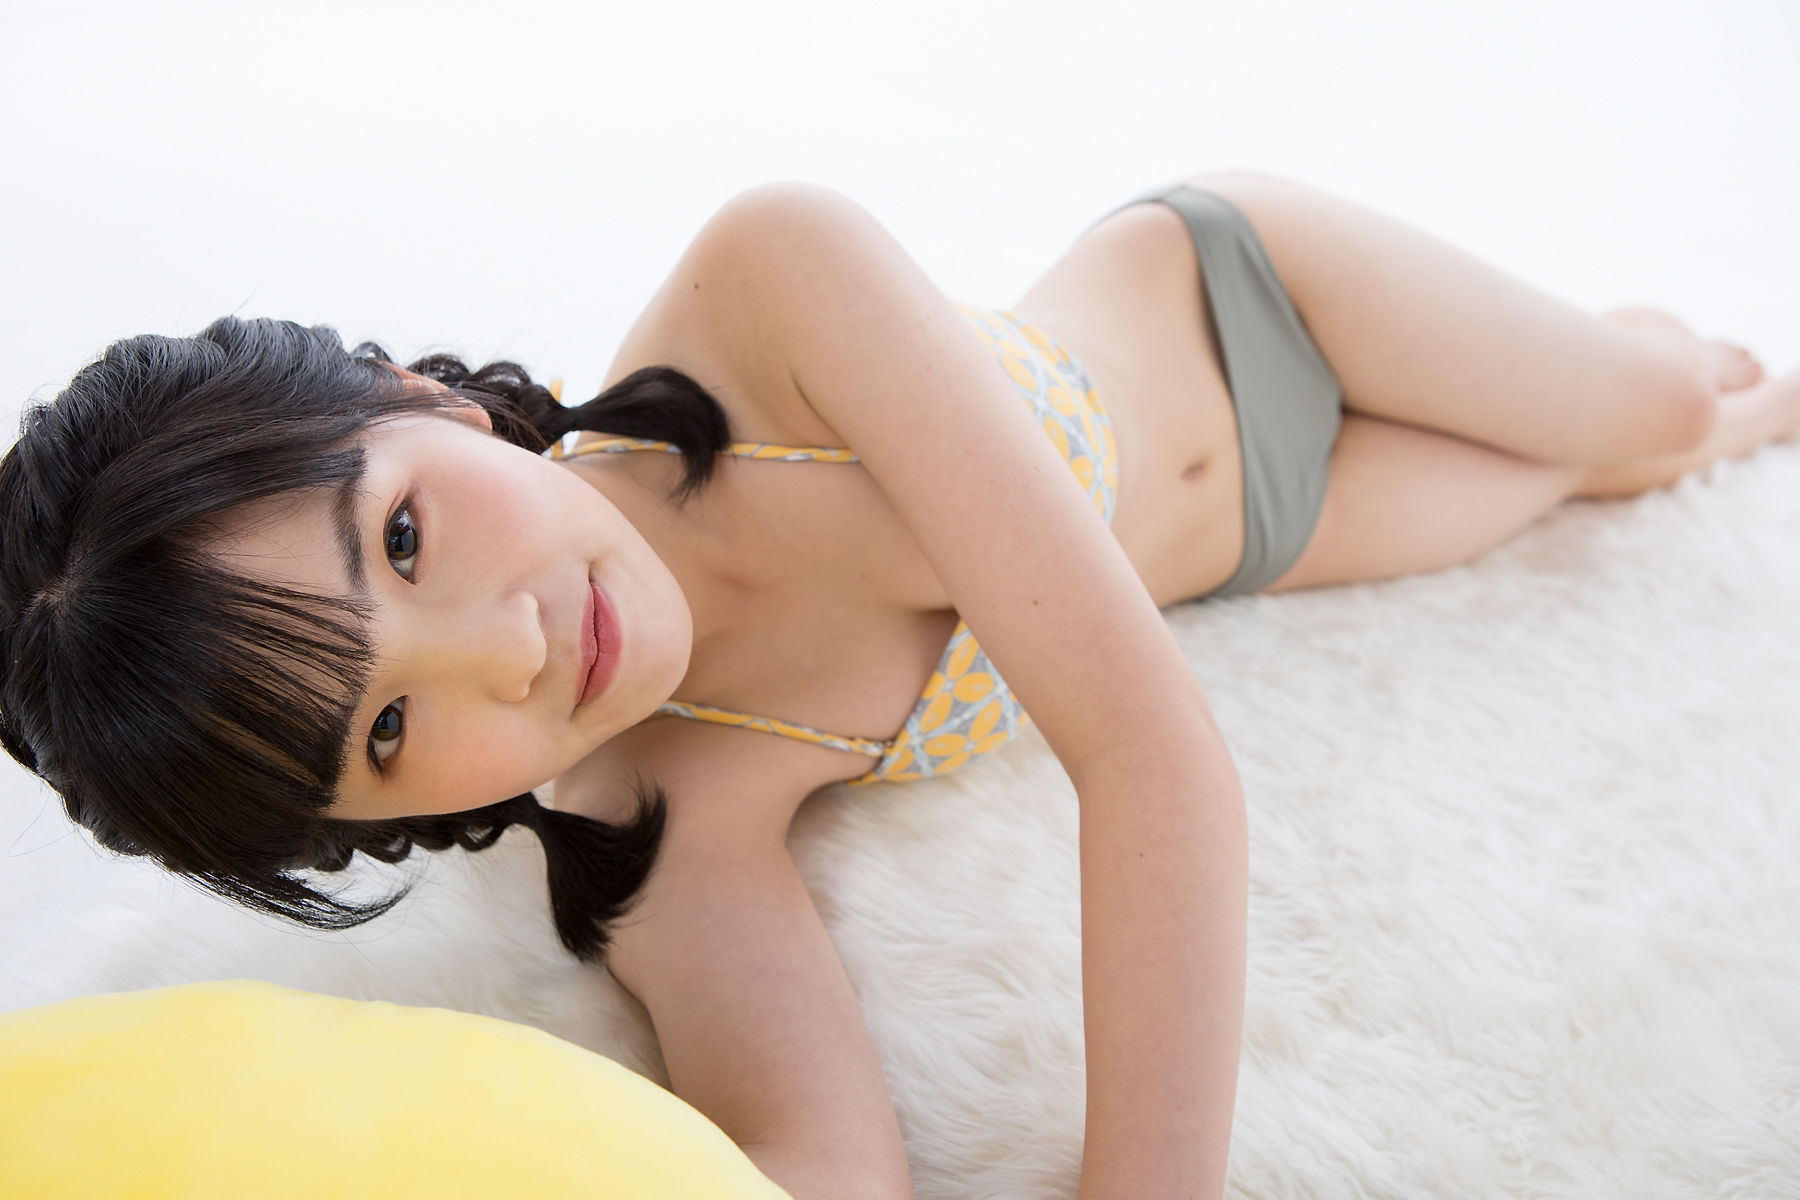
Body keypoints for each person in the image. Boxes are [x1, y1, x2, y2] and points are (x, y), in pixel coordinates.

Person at [2, 172, 1794, 1200]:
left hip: (1260, 298)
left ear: (420, 398)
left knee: (1665, 416)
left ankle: (1662, 374)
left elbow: (1152, 756)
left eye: (402, 539)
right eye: (391, 727)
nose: (510, 646)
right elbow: (812, 1152)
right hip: (1265, 535)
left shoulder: (772, 288)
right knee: (1560, 487)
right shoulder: (664, 821)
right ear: (381, 819)